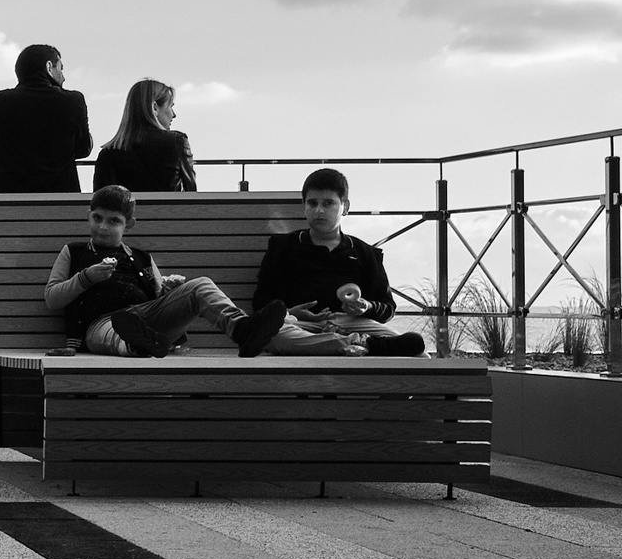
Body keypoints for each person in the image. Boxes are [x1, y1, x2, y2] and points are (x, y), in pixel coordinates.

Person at [45, 184, 285, 358]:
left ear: (129, 224)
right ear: (88, 216)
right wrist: (86, 277)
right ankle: (139, 344)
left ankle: (243, 330)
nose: (102, 227)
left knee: (200, 284)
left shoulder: (142, 258)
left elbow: (159, 301)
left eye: (113, 221)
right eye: (97, 218)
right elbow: (52, 298)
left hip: (146, 316)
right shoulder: (74, 252)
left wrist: (170, 291)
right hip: (99, 324)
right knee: (119, 327)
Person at [254, 168, 427, 358]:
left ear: (345, 207)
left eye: (328, 203)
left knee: (418, 352)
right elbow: (261, 300)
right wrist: (289, 312)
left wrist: (366, 307)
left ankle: (350, 343)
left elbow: (387, 308)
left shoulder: (364, 253)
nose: (319, 210)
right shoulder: (282, 247)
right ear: (304, 206)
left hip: (352, 324)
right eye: (312, 203)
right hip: (298, 325)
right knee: (273, 336)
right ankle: (358, 345)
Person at [0, 44, 92, 193]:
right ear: (49, 67)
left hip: (3, 202)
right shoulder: (73, 101)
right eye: (60, 68)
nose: (64, 77)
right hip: (58, 200)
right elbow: (84, 148)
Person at [92, 79, 197, 193]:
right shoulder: (177, 142)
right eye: (170, 106)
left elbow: (101, 202)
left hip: (125, 210)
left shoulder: (108, 152)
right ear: (155, 107)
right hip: (169, 210)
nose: (173, 114)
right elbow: (190, 193)